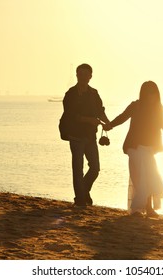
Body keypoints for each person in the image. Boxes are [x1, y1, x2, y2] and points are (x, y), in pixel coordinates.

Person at [104, 81, 163, 217]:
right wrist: (110, 125)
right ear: (143, 94)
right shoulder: (136, 106)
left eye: (154, 93)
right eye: (148, 93)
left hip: (149, 148)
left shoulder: (158, 108)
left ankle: (146, 208)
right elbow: (123, 117)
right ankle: (141, 208)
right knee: (141, 177)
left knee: (150, 176)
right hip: (134, 146)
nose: (151, 96)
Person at [62, 63, 110, 207]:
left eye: (86, 74)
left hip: (90, 137)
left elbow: (100, 111)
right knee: (78, 168)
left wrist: (108, 123)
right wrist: (90, 120)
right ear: (76, 75)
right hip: (75, 136)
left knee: (95, 168)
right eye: (80, 74)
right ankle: (80, 199)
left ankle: (83, 191)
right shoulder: (70, 94)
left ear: (90, 76)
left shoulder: (94, 94)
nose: (83, 77)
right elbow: (71, 116)